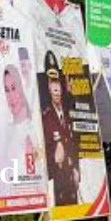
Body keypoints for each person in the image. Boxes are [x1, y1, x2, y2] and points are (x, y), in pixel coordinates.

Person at [41, 53, 79, 205]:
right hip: (56, 174)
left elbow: (73, 142)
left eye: (58, 88)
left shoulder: (68, 113)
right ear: (49, 89)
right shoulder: (46, 116)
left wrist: (76, 167)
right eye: (53, 88)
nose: (56, 92)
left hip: (71, 171)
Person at [2, 64, 41, 177]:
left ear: (21, 87)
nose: (11, 96)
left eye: (14, 88)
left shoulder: (34, 126)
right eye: (7, 90)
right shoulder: (7, 130)